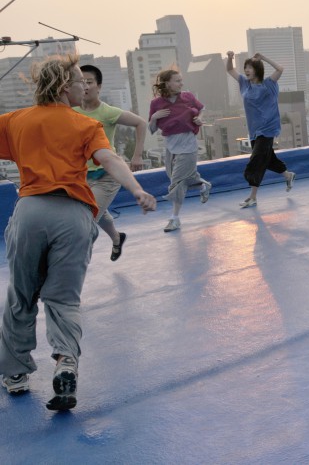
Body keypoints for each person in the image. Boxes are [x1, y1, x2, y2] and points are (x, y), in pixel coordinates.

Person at [0, 55, 156, 410]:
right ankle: (66, 361)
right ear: (62, 86)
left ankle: (15, 374)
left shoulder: (14, 121)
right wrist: (136, 190)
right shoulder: (85, 124)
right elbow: (110, 160)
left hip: (30, 212)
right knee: (63, 298)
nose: (83, 86)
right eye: (77, 81)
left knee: (21, 295)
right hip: (73, 216)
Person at [74, 64, 147, 261]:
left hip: (107, 175)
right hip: (81, 176)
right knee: (100, 212)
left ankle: (70, 268)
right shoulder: (70, 112)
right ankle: (117, 238)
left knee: (86, 221)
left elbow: (141, 123)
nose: (85, 86)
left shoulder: (107, 112)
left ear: (99, 86)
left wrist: (137, 155)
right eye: (81, 82)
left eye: (89, 82)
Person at [226, 51, 295, 208]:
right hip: (254, 130)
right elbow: (230, 70)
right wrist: (230, 58)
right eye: (245, 67)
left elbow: (280, 69)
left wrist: (263, 57)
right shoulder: (245, 83)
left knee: (257, 160)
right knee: (268, 159)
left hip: (268, 129)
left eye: (250, 67)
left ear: (257, 69)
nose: (247, 70)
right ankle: (288, 175)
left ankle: (252, 197)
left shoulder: (268, 84)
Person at [149, 69, 211, 232]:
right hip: (170, 146)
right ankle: (203, 186)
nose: (181, 83)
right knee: (181, 178)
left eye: (181, 80)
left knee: (177, 182)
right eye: (177, 81)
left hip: (188, 144)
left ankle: (174, 219)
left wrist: (200, 119)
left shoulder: (188, 97)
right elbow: (151, 128)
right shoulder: (156, 104)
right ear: (167, 83)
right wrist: (155, 116)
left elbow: (202, 108)